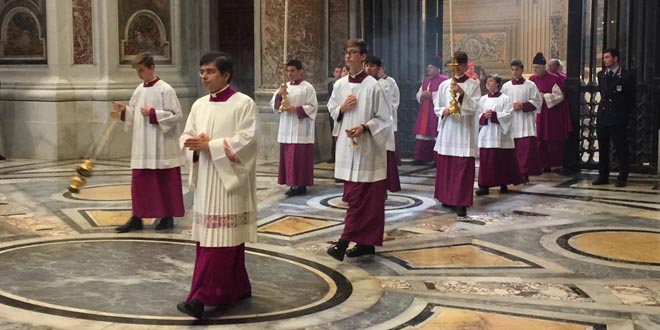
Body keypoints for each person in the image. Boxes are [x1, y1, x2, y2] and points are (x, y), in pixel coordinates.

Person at [177, 51, 258, 319]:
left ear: (226, 75)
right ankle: (238, 287)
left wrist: (210, 145)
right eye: (202, 71)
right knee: (214, 241)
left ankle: (201, 298)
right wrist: (194, 145)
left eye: (210, 72)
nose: (204, 77)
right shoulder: (199, 105)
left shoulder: (243, 103)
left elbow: (248, 141)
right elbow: (185, 136)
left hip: (229, 184)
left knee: (220, 243)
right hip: (207, 181)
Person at [326, 39, 391, 261]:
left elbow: (384, 119)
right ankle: (365, 244)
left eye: (353, 53)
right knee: (356, 198)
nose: (348, 56)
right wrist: (342, 109)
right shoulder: (340, 85)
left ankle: (345, 242)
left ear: (363, 57)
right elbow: (332, 108)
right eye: (346, 52)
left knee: (366, 200)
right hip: (347, 148)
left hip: (367, 150)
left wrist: (364, 127)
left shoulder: (374, 85)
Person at [111, 52, 185, 233]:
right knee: (139, 181)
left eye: (142, 70)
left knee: (163, 180)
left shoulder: (165, 89)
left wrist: (153, 113)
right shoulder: (139, 90)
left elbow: (177, 115)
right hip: (142, 144)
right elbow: (134, 113)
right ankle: (137, 217)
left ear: (152, 67)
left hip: (160, 144)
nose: (139, 74)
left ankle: (167, 217)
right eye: (137, 71)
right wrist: (124, 111)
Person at [433, 51, 481, 217]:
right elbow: (436, 106)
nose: (456, 68)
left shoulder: (473, 84)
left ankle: (461, 202)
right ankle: (446, 197)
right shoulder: (444, 85)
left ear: (466, 65)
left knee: (461, 166)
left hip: (463, 130)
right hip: (448, 129)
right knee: (447, 165)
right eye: (453, 64)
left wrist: (462, 93)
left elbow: (474, 107)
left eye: (459, 64)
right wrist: (443, 111)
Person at [270, 59, 318, 196]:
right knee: (289, 157)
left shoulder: (307, 87)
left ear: (300, 72)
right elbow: (274, 104)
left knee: (299, 158)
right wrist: (279, 94)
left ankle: (301, 184)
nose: (289, 74)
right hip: (286, 127)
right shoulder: (284, 86)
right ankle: (291, 183)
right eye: (288, 71)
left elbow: (313, 107)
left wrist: (295, 109)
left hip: (301, 128)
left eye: (292, 71)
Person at [592, 48, 636, 187]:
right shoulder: (601, 75)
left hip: (618, 116)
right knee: (603, 147)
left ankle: (622, 175)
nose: (605, 60)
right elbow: (603, 93)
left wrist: (624, 114)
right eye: (604, 58)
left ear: (615, 59)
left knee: (620, 147)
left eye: (607, 57)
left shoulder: (626, 76)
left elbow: (630, 98)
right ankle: (603, 175)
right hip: (604, 115)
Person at [475, 75, 523, 195]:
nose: (488, 83)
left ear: (498, 84)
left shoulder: (505, 99)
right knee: (486, 161)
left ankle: (503, 183)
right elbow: (478, 115)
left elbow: (509, 114)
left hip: (501, 134)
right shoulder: (483, 99)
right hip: (487, 134)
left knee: (502, 160)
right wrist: (484, 116)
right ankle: (484, 185)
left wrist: (495, 115)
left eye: (491, 81)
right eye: (487, 82)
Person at [501, 59, 543, 182]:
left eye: (517, 69)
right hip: (512, 121)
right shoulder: (506, 86)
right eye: (512, 70)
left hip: (525, 121)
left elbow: (537, 101)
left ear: (522, 70)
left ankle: (524, 172)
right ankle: (513, 172)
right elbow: (502, 102)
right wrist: (509, 107)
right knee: (512, 149)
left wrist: (523, 105)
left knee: (525, 149)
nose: (515, 72)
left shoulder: (530, 85)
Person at [529, 52, 572, 173]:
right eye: (534, 67)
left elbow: (560, 95)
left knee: (552, 139)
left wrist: (544, 96)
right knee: (539, 139)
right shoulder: (532, 80)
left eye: (537, 67)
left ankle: (555, 164)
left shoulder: (554, 78)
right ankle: (542, 164)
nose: (535, 70)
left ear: (544, 67)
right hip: (538, 112)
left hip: (552, 113)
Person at [365, 56, 401, 193]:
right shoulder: (364, 83)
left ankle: (384, 187)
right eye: (367, 66)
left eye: (372, 66)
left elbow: (392, 103)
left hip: (382, 124)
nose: (368, 68)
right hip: (366, 125)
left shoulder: (386, 83)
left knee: (384, 157)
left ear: (379, 69)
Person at [413, 56, 447, 165]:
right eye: (428, 68)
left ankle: (435, 159)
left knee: (435, 132)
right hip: (425, 110)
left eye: (431, 68)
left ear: (437, 69)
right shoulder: (426, 80)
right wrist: (421, 95)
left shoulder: (444, 80)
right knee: (423, 132)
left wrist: (432, 95)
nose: (429, 70)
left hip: (435, 111)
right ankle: (421, 157)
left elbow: (444, 96)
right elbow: (419, 93)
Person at [327, 64, 344, 163]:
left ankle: (339, 156)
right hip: (333, 111)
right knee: (333, 133)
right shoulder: (330, 85)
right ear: (333, 73)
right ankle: (333, 155)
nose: (338, 74)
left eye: (340, 72)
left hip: (342, 110)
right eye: (336, 72)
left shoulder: (343, 84)